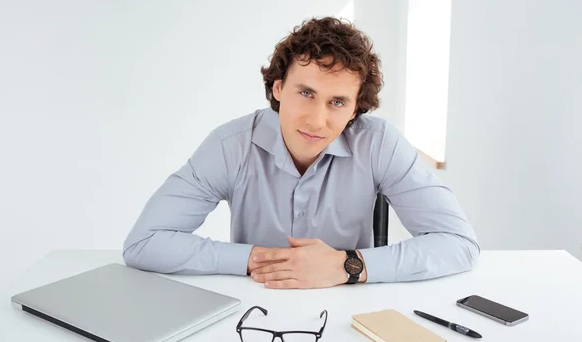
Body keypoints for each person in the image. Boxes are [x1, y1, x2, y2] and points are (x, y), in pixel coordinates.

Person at [122, 17, 479, 289]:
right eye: (305, 93)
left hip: (350, 306)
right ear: (278, 88)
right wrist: (258, 259)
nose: (316, 120)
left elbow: (459, 244)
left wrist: (347, 265)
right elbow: (143, 243)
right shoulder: (230, 145)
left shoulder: (379, 143)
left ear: (355, 110)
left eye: (337, 102)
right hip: (254, 305)